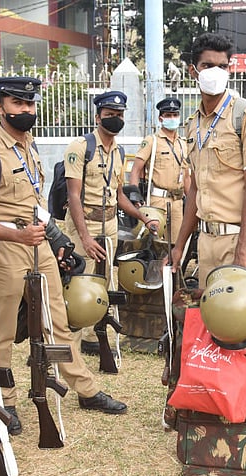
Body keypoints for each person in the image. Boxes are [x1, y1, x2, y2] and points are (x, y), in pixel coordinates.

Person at [0, 77, 129, 436]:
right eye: (17, 104)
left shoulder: (29, 146)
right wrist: (18, 235)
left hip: (38, 242)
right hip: (4, 247)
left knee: (58, 321)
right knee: (3, 329)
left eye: (29, 104)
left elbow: (36, 204)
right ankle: (3, 398)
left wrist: (55, 241)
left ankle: (84, 389)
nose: (25, 110)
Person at [169, 33, 246, 286]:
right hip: (207, 240)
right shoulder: (193, 124)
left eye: (222, 66)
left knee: (236, 321)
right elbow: (195, 188)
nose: (216, 72)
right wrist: (179, 246)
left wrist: (242, 252)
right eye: (207, 66)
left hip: (240, 238)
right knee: (210, 318)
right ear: (193, 71)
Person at [64, 90, 158, 353]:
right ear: (97, 117)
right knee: (81, 279)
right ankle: (77, 334)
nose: (115, 119)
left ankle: (95, 331)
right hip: (85, 223)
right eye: (109, 115)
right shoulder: (80, 148)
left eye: (119, 115)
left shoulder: (119, 152)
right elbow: (73, 196)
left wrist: (142, 217)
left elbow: (118, 196)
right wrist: (84, 237)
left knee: (103, 279)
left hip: (109, 224)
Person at [130, 97, 190, 243]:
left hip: (177, 201)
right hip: (157, 200)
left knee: (176, 243)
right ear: (160, 118)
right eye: (168, 115)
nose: (172, 118)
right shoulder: (152, 141)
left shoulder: (183, 144)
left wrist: (191, 201)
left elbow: (187, 176)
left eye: (175, 115)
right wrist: (135, 198)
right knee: (156, 242)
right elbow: (136, 170)